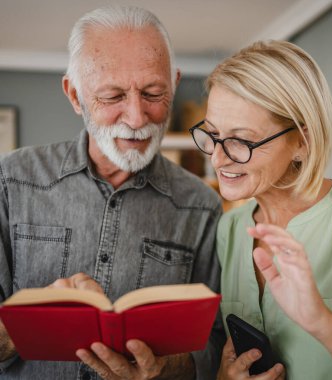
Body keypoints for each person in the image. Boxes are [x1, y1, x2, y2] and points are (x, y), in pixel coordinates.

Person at [0, 5, 225, 379]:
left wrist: (165, 367)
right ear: (75, 95)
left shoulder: (202, 207)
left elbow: (215, 344)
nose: (137, 118)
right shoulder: (10, 181)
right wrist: (34, 321)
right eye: (113, 96)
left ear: (174, 82)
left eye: (154, 93)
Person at [189, 40, 332, 379]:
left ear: (302, 141)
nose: (217, 158)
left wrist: (322, 320)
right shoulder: (229, 230)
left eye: (242, 140)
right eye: (214, 134)